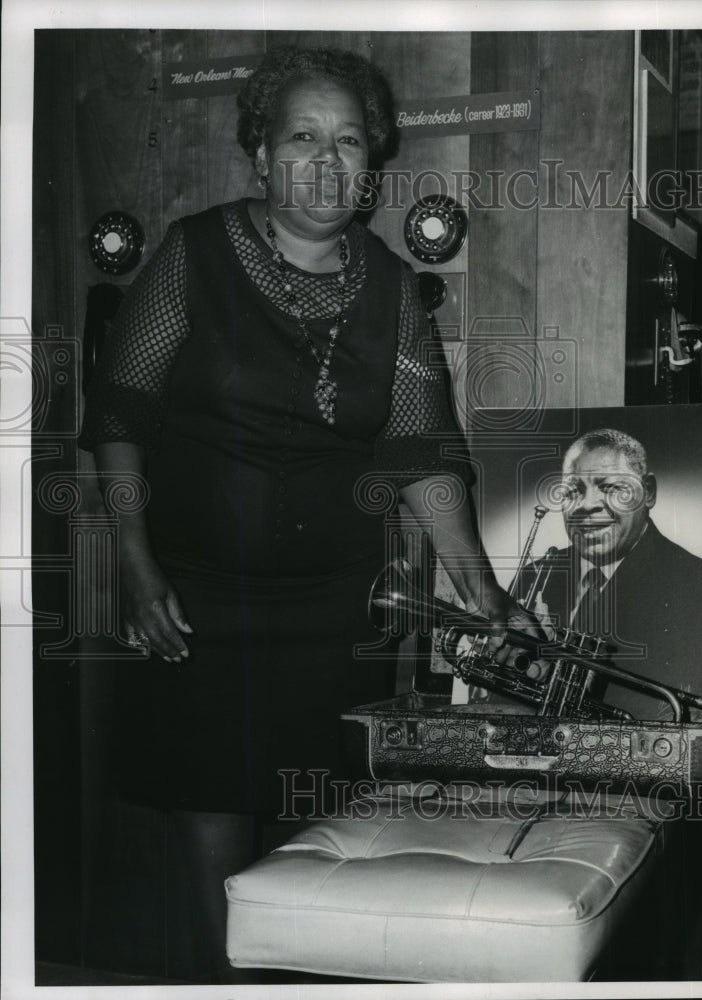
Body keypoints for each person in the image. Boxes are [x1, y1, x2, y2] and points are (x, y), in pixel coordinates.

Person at [79, 45, 533, 981]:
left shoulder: (393, 288)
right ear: (259, 154)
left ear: (372, 166)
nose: (326, 162)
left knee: (315, 820)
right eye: (302, 137)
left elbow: (420, 452)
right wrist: (134, 561)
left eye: (350, 142)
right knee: (210, 812)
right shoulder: (192, 255)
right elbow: (120, 411)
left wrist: (482, 595)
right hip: (196, 596)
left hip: (332, 607)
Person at [523, 427, 702, 720]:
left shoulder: (699, 584)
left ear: (648, 492)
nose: (587, 505)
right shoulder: (533, 576)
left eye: (611, 488)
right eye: (572, 490)